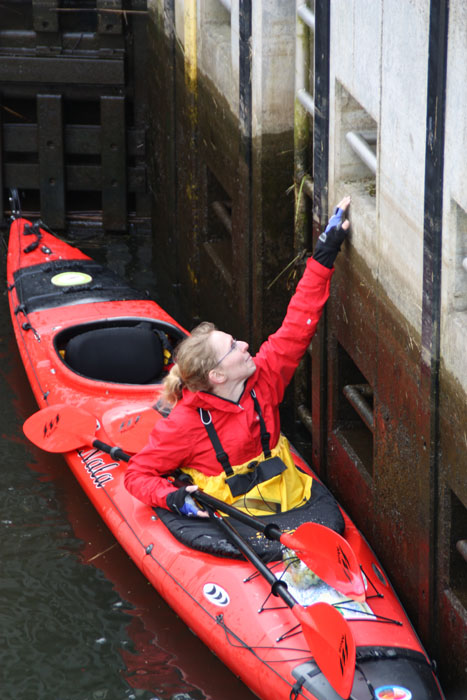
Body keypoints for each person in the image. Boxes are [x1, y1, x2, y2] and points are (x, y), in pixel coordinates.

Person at [124, 197, 351, 519]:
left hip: (284, 494)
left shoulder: (266, 374)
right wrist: (171, 497)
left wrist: (325, 254)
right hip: (230, 514)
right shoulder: (183, 425)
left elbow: (299, 321)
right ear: (217, 376)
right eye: (232, 347)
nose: (245, 345)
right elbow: (136, 476)